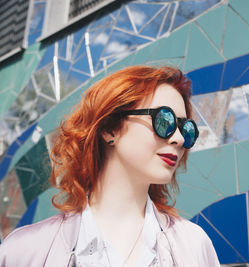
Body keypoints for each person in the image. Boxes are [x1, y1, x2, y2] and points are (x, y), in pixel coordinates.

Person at [0, 66, 220, 267]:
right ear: (109, 128)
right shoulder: (24, 252)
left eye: (186, 128)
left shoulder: (194, 246)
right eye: (165, 121)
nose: (179, 138)